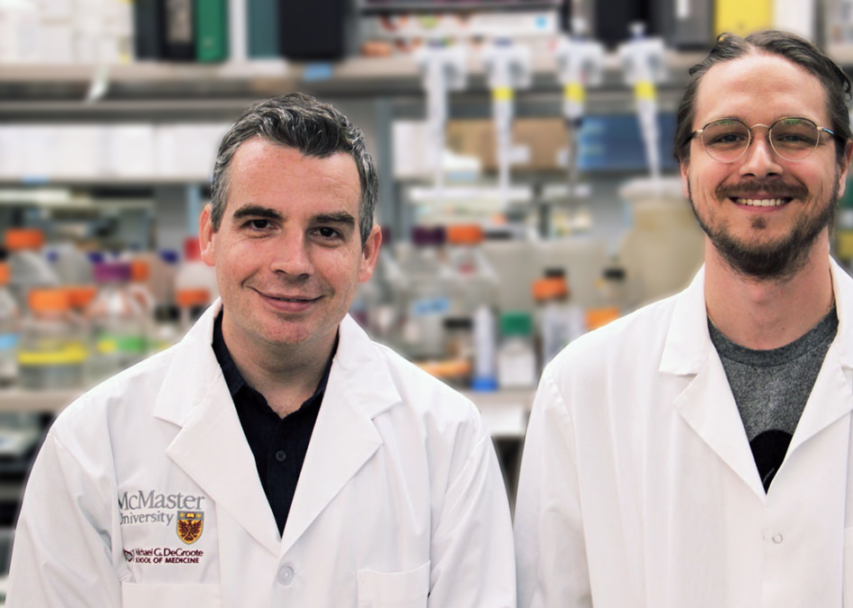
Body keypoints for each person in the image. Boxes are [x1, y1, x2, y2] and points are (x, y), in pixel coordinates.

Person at [514, 31, 853, 607]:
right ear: (685, 166)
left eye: (795, 135)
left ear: (844, 162)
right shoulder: (583, 391)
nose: (760, 163)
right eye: (726, 136)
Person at [8, 93, 516, 607]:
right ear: (209, 236)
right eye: (260, 224)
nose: (293, 262)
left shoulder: (447, 439)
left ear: (367, 253)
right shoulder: (94, 445)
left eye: (326, 231)